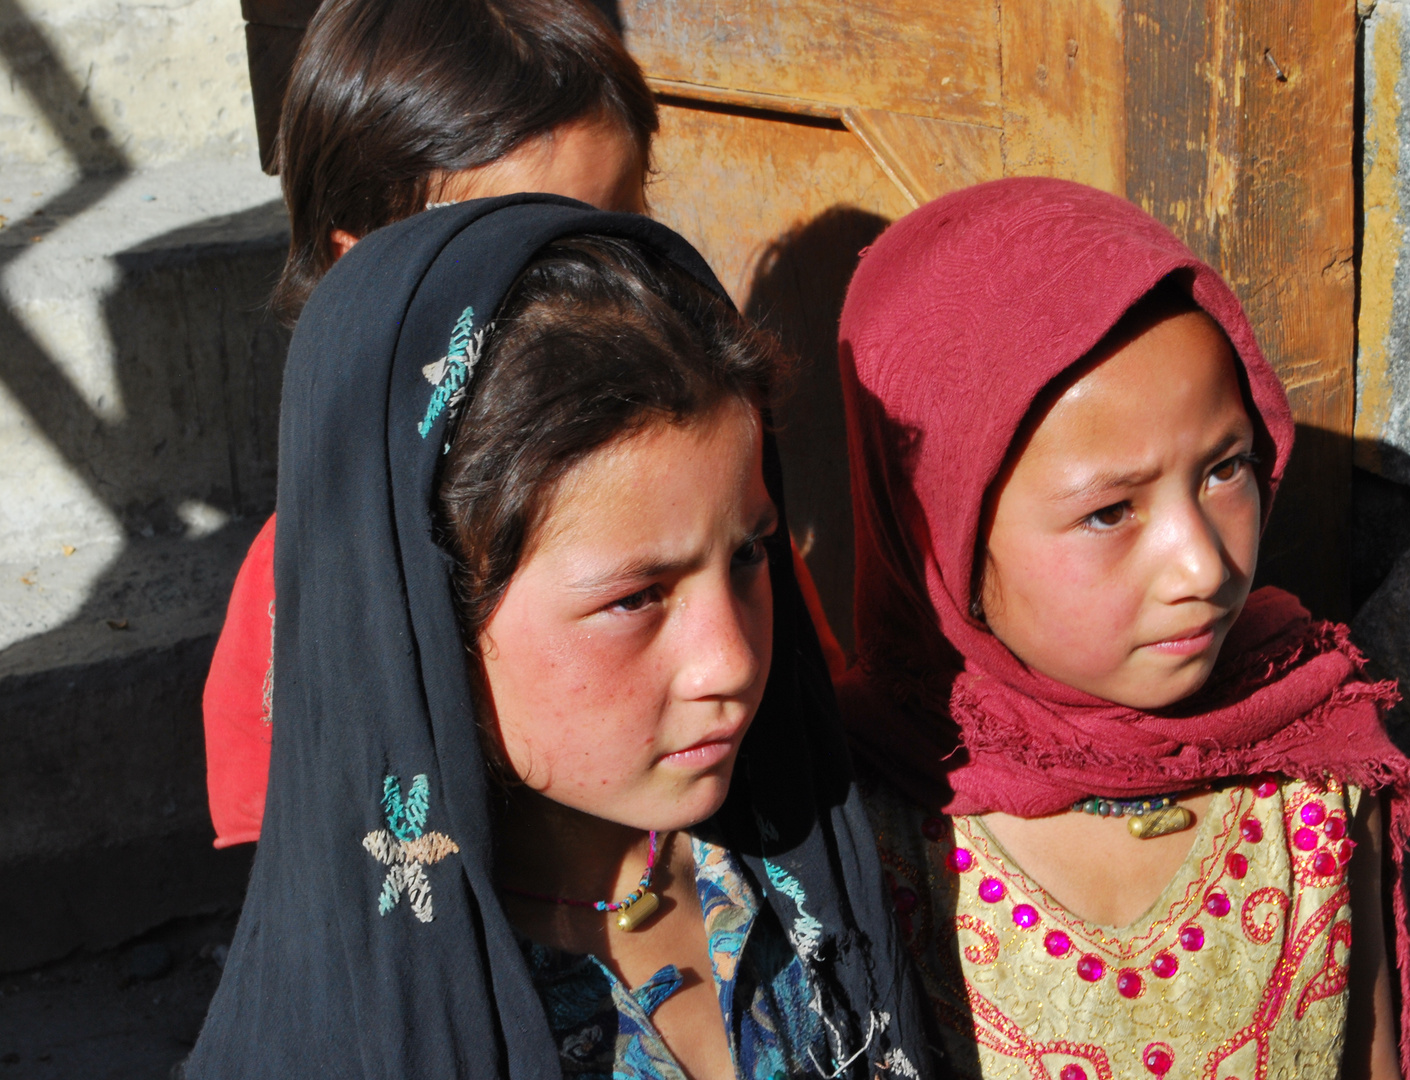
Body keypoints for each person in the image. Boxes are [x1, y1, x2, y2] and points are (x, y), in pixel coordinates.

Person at [188, 197, 928, 1080]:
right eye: (635, 599)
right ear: (431, 617)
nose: (728, 661)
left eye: (747, 555)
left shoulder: (823, 873)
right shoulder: (344, 1040)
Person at [835, 179, 1410, 1080]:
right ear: (940, 533)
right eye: (1110, 511)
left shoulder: (1311, 768)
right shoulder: (859, 822)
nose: (1202, 567)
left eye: (1226, 468)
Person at [203, 0, 843, 848]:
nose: (606, 286)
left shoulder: (717, 537)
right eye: (525, 254)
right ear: (363, 269)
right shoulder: (309, 583)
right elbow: (304, 875)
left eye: (623, 227)